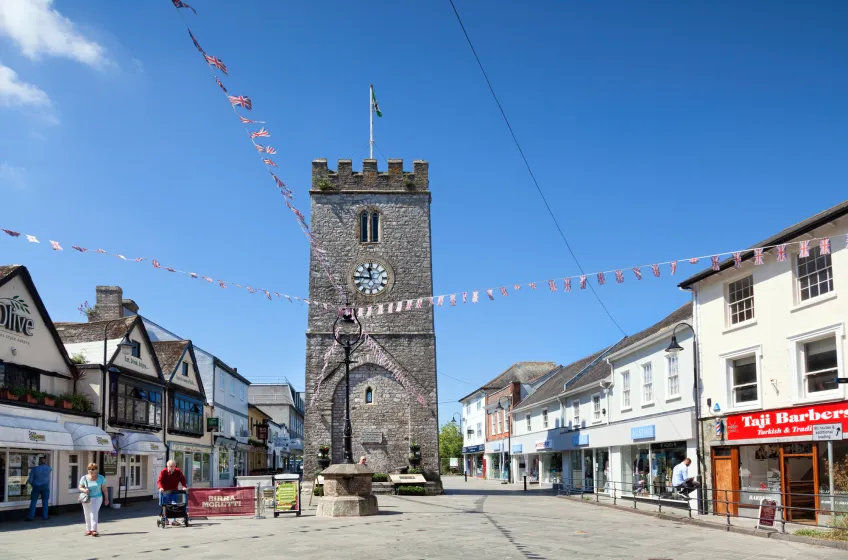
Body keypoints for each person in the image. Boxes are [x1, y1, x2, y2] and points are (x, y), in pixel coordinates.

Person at [79, 463, 108, 536]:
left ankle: (94, 530)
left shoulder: (101, 478)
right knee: (87, 513)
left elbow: (104, 489)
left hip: (97, 497)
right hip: (86, 498)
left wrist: (106, 499)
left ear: (96, 470)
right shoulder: (84, 478)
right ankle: (88, 530)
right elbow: (80, 487)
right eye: (89, 470)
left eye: (93, 470)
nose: (91, 472)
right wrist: (84, 490)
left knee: (94, 512)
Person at [157, 459, 187, 526]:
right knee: (165, 504)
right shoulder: (163, 472)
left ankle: (174, 520)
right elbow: (159, 481)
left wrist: (184, 486)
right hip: (165, 490)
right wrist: (160, 487)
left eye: (173, 466)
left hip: (174, 490)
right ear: (167, 466)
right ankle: (165, 519)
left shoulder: (178, 471)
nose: (172, 468)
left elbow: (183, 479)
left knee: (176, 504)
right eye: (170, 466)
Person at [26, 457, 51, 521]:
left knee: (34, 501)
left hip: (36, 486)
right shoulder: (48, 468)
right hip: (45, 486)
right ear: (44, 462)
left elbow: (30, 480)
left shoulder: (35, 469)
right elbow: (50, 470)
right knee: (45, 501)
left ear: (39, 462)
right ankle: (45, 516)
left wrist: (32, 484)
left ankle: (30, 517)